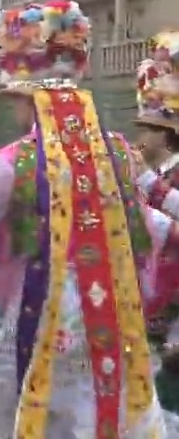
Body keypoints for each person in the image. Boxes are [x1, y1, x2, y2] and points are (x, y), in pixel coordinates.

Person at [0, 1, 179, 437]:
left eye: (16, 101)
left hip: (36, 343)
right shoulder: (119, 155)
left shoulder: (8, 164)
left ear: (30, 101)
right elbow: (148, 221)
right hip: (111, 336)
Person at [133, 30, 179, 414]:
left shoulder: (167, 176)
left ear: (166, 134)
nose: (139, 136)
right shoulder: (149, 174)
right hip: (150, 290)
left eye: (146, 128)